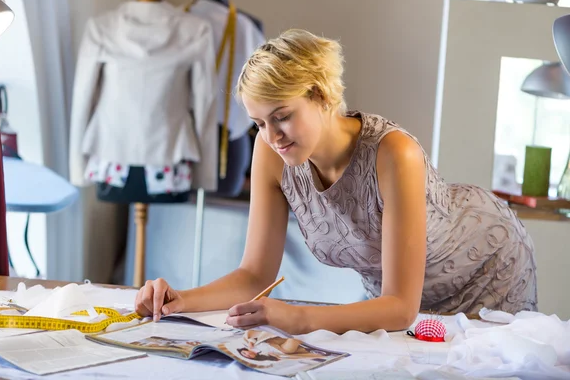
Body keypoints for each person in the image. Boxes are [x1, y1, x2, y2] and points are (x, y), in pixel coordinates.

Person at [135, 29, 538, 335]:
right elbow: (255, 276)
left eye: (281, 115)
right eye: (259, 122)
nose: (272, 136)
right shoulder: (270, 151)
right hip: (396, 298)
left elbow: (400, 308)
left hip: (485, 265)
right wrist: (178, 301)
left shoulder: (395, 154)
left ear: (320, 94)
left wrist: (296, 316)